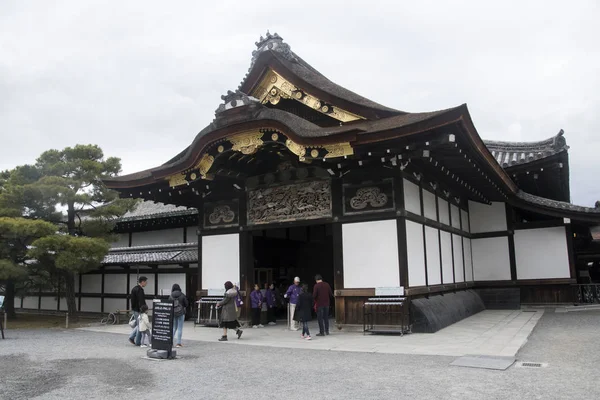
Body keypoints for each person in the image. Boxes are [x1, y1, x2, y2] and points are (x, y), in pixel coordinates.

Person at [129, 276, 148, 346]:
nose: (146, 283)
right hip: (139, 310)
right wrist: (144, 309)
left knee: (138, 325)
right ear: (142, 282)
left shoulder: (134, 288)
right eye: (146, 282)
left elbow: (133, 300)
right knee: (141, 325)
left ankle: (131, 337)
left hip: (135, 309)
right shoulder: (140, 290)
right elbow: (141, 301)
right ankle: (138, 341)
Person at [169, 283, 189, 348]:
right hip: (181, 313)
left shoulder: (171, 296)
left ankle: (170, 342)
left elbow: (169, 304)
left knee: (174, 327)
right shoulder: (182, 295)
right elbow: (186, 304)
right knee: (180, 328)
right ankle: (178, 343)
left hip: (173, 313)